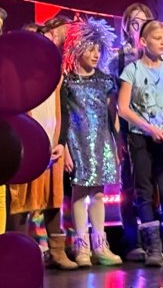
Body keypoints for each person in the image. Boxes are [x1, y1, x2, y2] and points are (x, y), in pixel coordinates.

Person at [7, 16, 76, 270]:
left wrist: (61, 142)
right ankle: (18, 252)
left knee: (52, 197)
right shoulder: (16, 77)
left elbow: (64, 112)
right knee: (22, 199)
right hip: (27, 146)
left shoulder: (55, 76)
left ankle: (57, 251)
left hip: (52, 143)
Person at [117, 20, 163, 266]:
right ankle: (153, 248)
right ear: (143, 42)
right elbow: (123, 108)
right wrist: (149, 128)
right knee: (144, 192)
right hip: (140, 138)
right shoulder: (132, 71)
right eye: (157, 38)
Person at [59, 18, 122, 267]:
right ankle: (81, 246)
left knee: (98, 193)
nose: (95, 54)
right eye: (90, 49)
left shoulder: (105, 81)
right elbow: (63, 116)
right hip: (76, 143)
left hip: (101, 143)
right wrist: (65, 149)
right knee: (79, 192)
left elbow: (112, 116)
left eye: (98, 49)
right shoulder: (68, 81)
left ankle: (100, 244)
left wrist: (117, 144)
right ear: (77, 48)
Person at [111, 3, 154, 262]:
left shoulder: (157, 55)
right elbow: (112, 101)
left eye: (144, 21)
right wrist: (117, 135)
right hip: (127, 128)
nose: (139, 26)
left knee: (151, 186)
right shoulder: (118, 59)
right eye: (134, 22)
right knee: (128, 186)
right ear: (127, 26)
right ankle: (132, 241)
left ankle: (154, 239)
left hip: (152, 128)